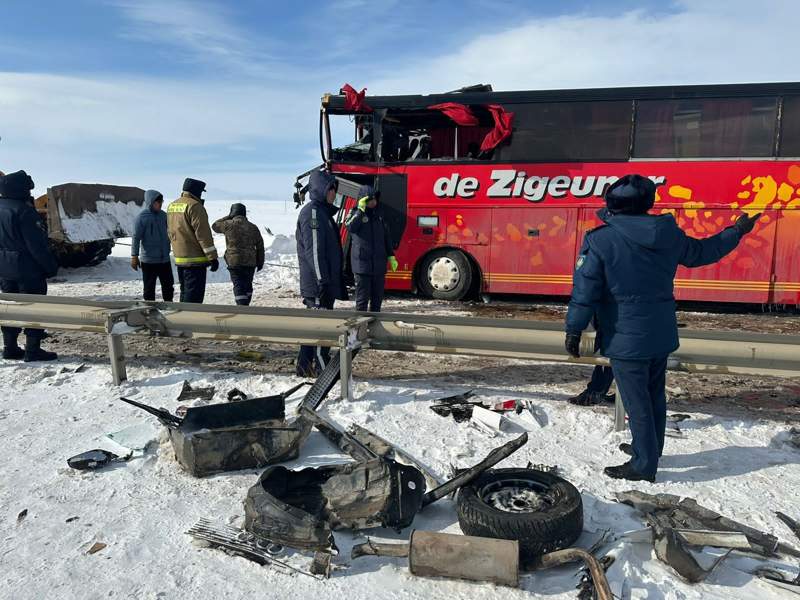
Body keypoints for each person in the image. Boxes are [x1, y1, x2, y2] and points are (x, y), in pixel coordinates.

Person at [565, 174, 761, 483]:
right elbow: (704, 252)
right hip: (660, 331)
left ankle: (644, 465)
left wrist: (574, 329)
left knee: (636, 401)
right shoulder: (668, 234)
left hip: (625, 335)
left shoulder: (600, 239)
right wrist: (736, 231)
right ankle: (650, 448)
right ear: (647, 204)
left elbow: (585, 290)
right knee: (654, 393)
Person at [0, 170, 60, 361]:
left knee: (10, 308)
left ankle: (9, 347)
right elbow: (36, 246)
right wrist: (50, 267)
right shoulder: (24, 211)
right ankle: (32, 349)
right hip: (28, 270)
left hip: (5, 269)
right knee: (35, 308)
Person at [295, 169, 347, 377]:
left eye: (334, 189)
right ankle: (322, 370)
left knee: (313, 327)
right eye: (331, 189)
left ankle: (303, 367)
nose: (334, 193)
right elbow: (314, 251)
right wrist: (323, 281)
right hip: (318, 284)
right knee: (320, 329)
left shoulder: (322, 213)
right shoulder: (313, 213)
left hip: (321, 282)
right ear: (321, 189)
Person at [345, 184, 398, 312]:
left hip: (379, 266)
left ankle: (374, 328)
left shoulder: (379, 215)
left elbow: (386, 238)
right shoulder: (354, 212)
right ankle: (360, 328)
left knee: (377, 300)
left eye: (375, 199)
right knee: (362, 300)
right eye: (370, 199)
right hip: (362, 266)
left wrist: (391, 256)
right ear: (363, 200)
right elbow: (350, 227)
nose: (374, 202)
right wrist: (360, 210)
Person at [166, 178, 219, 303]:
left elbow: (170, 231)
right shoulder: (195, 206)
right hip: (195, 261)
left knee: (185, 292)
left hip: (180, 259)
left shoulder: (172, 206)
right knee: (194, 298)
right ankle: (189, 319)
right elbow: (203, 234)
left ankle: (182, 318)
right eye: (200, 192)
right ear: (196, 191)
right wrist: (212, 257)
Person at [212, 203, 264, 306]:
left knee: (238, 284)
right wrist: (260, 261)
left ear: (233, 213)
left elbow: (215, 225)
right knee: (248, 284)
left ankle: (241, 306)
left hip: (234, 261)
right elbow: (260, 246)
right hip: (250, 262)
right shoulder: (253, 227)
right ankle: (246, 304)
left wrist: (229, 216)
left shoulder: (227, 224)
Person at [131, 189, 174, 301]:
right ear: (150, 202)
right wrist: (134, 256)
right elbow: (136, 238)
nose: (160, 204)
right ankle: (149, 311)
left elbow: (171, 232)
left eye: (161, 202)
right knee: (149, 289)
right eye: (158, 202)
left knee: (168, 287)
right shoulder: (141, 218)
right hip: (149, 261)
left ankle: (169, 308)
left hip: (164, 260)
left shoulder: (164, 216)